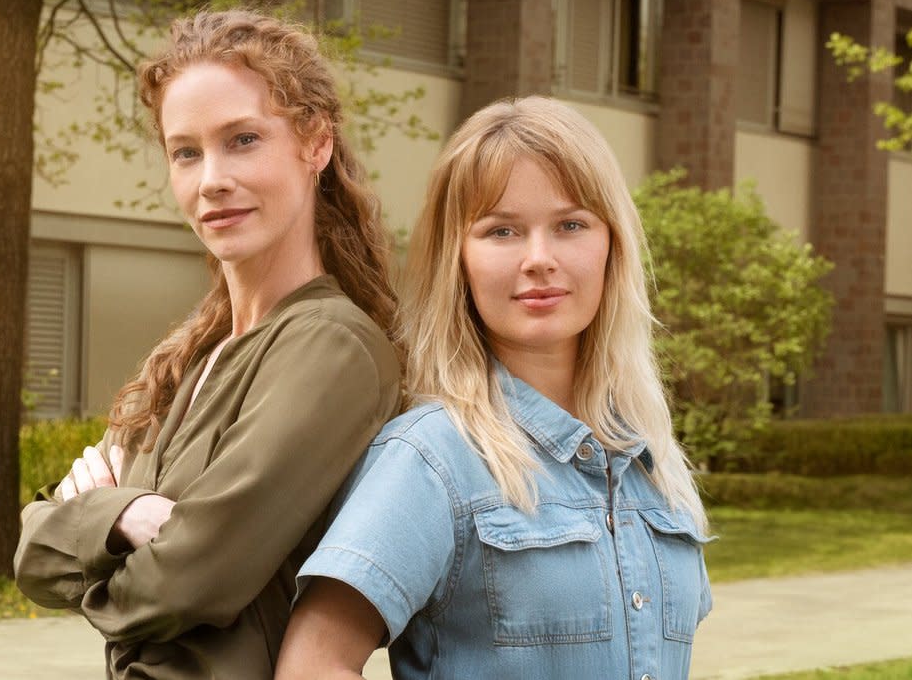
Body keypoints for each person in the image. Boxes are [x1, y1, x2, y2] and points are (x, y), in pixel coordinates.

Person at [13, 8, 402, 679]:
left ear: (316, 144)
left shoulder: (333, 347)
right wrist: (126, 513)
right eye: (185, 152)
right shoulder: (193, 355)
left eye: (242, 140)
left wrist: (91, 522)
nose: (210, 179)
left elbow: (187, 583)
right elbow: (28, 552)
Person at [275, 96, 712, 680]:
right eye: (501, 231)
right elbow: (313, 665)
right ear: (459, 260)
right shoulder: (432, 458)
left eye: (571, 225)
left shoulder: (648, 465)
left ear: (613, 246)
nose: (539, 259)